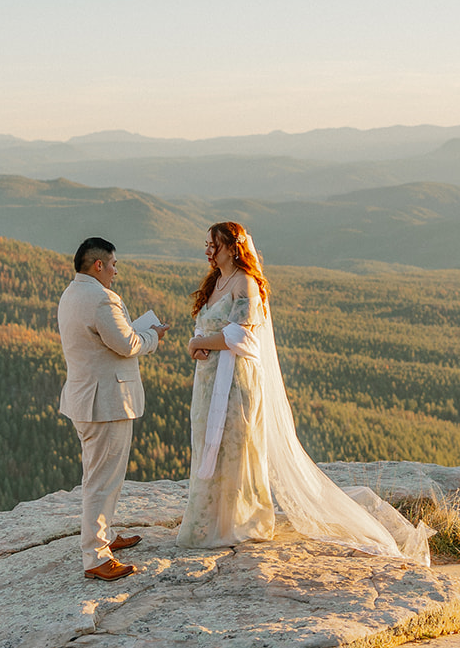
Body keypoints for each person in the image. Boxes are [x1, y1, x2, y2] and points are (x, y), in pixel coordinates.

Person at [175, 222, 432, 563]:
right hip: (209, 380)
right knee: (209, 442)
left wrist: (198, 343)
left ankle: (236, 523)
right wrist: (196, 346)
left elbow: (242, 336)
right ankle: (208, 521)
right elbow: (206, 327)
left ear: (234, 248)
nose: (208, 250)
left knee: (237, 446)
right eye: (207, 244)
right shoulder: (216, 283)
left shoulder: (246, 284)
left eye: (215, 245)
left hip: (235, 380)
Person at [58, 237, 169, 581]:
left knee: (100, 476)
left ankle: (104, 538)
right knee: (101, 481)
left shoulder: (71, 294)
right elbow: (127, 344)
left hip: (84, 398)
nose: (116, 272)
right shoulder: (102, 299)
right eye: (113, 265)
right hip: (106, 403)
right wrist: (153, 334)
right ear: (98, 265)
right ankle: (95, 557)